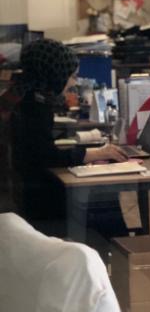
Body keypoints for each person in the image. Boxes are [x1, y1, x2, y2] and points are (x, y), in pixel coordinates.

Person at [9, 39, 129, 231]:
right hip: (40, 200)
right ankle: (115, 246)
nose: (74, 83)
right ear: (54, 74)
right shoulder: (34, 108)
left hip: (28, 191)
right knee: (103, 194)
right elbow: (47, 156)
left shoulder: (23, 97)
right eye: (71, 76)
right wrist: (95, 153)